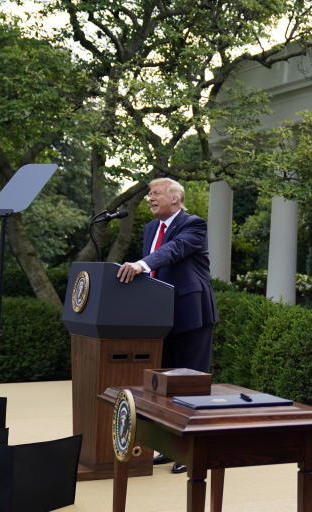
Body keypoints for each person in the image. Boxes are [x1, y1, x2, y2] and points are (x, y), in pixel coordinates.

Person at [117, 177, 219, 475]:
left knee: (191, 385)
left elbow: (171, 252)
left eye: (156, 193)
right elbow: (154, 270)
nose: (150, 198)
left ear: (175, 198)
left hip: (192, 314)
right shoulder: (150, 229)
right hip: (160, 318)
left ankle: (192, 451)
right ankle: (169, 445)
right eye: (149, 193)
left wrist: (140, 264)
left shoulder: (194, 224)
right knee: (164, 385)